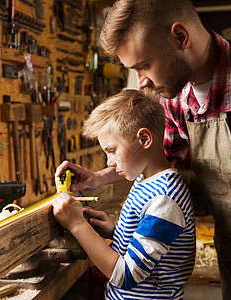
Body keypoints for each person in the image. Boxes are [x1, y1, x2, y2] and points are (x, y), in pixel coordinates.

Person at [55, 0, 231, 299]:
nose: (141, 82)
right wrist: (100, 178)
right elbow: (163, 156)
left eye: (144, 65)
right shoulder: (177, 95)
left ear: (180, 37)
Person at [52, 89, 196, 299]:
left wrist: (77, 224)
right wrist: (116, 232)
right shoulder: (144, 180)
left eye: (112, 150)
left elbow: (126, 275)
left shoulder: (165, 200)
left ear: (144, 139)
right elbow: (150, 243)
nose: (109, 162)